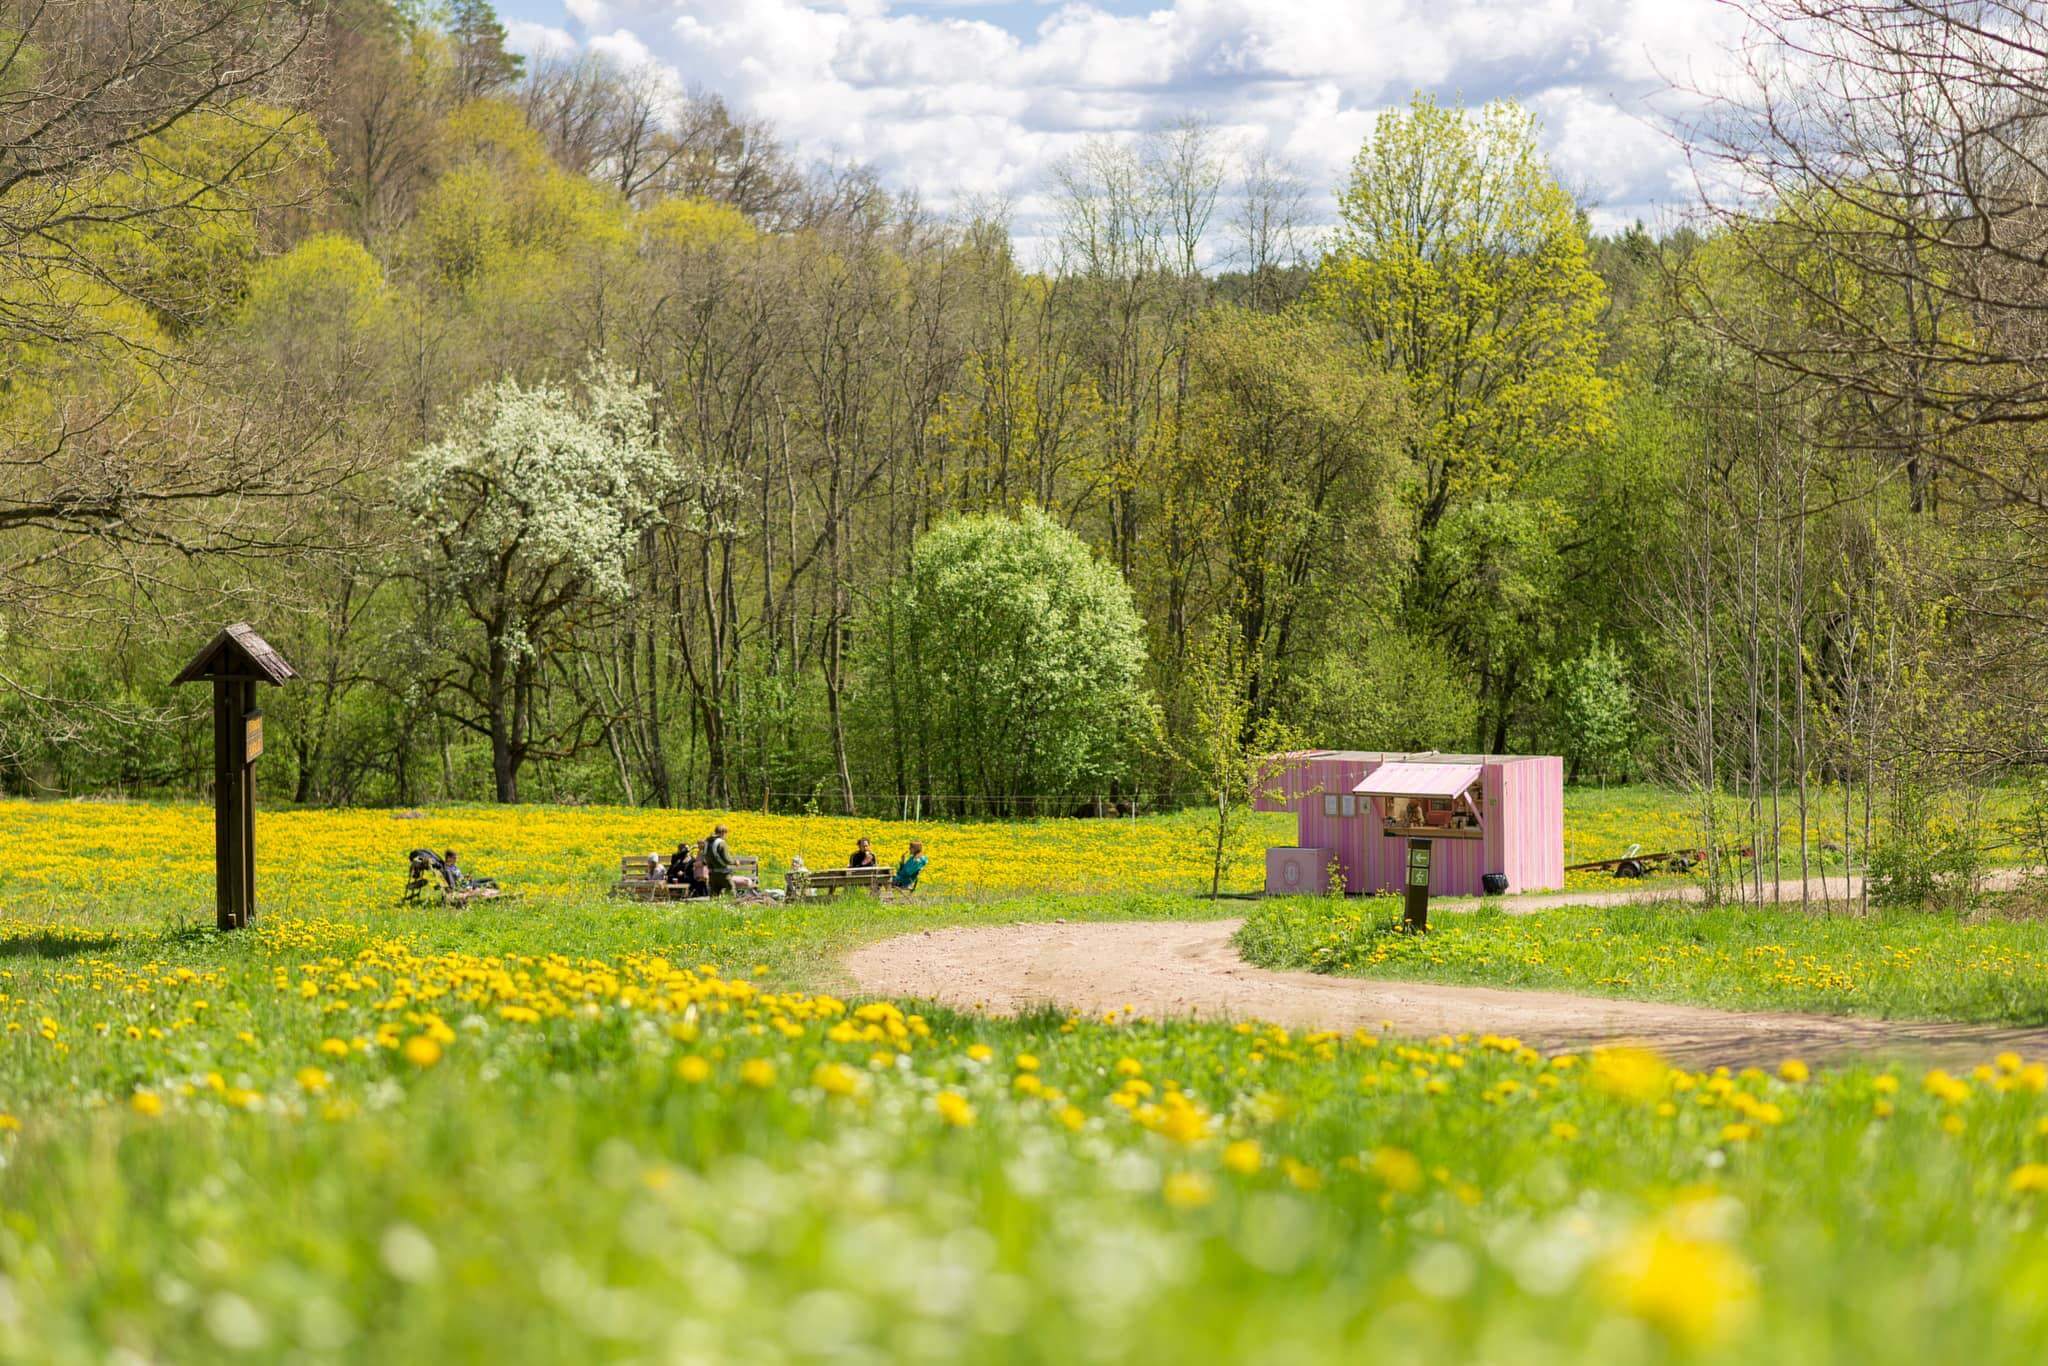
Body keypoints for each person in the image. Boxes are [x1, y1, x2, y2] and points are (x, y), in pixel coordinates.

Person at [705, 823, 734, 896]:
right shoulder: (721, 843)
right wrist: (734, 862)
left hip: (712, 874)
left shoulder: (708, 842)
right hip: (723, 874)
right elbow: (727, 859)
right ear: (722, 832)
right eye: (726, 833)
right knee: (731, 892)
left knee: (714, 895)